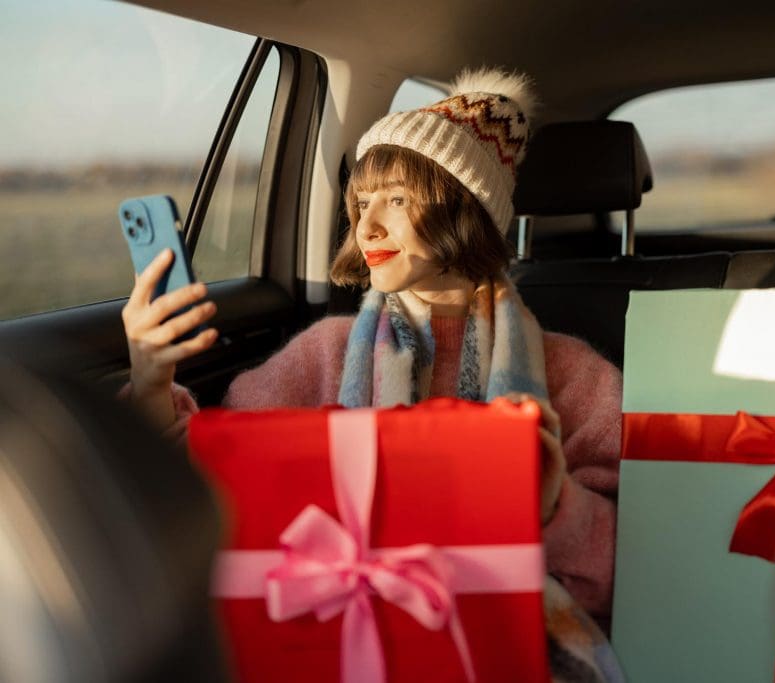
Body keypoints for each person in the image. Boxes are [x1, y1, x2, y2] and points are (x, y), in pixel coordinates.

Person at [122, 68, 624, 679]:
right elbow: (215, 485)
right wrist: (150, 385)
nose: (367, 227)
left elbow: (637, 567)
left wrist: (553, 508)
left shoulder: (573, 375)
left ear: (466, 210)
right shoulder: (322, 354)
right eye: (362, 202)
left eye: (399, 199)